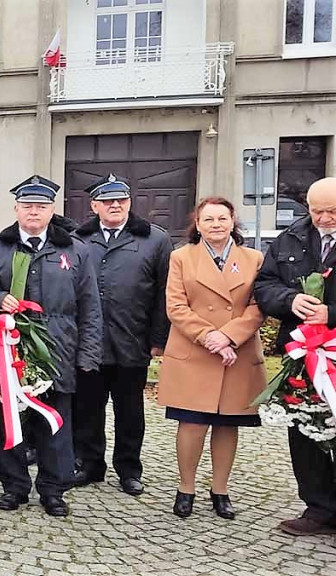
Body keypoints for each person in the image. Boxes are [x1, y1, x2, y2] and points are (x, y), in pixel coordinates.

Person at [0, 175, 102, 518]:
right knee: (9, 419)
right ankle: (13, 485)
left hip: (60, 346)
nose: (34, 212)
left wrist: (88, 354)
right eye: (27, 206)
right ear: (16, 209)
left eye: (41, 207)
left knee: (55, 420)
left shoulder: (74, 250)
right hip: (10, 352)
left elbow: (90, 306)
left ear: (52, 210)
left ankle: (54, 488)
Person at [158, 197, 265, 520]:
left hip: (238, 350)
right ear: (198, 224)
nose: (216, 225)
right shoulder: (181, 257)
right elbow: (176, 306)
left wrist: (230, 335)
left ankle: (221, 489)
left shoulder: (254, 258)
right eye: (209, 219)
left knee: (227, 424)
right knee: (192, 422)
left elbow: (260, 305)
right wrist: (211, 337)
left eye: (222, 218)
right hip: (195, 350)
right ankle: (186, 488)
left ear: (233, 221)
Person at [71, 175, 172, 496]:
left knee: (130, 411)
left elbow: (164, 293)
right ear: (94, 205)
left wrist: (159, 339)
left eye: (121, 200)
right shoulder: (78, 239)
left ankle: (129, 469)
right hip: (88, 342)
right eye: (108, 201)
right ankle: (89, 464)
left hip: (133, 339)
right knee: (87, 408)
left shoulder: (155, 240)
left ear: (130, 203)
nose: (115, 206)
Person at [254, 177, 336, 536]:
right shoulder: (291, 237)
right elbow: (264, 285)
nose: (323, 218)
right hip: (301, 354)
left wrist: (331, 315)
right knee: (305, 428)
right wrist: (290, 301)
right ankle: (318, 508)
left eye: (332, 211)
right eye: (317, 211)